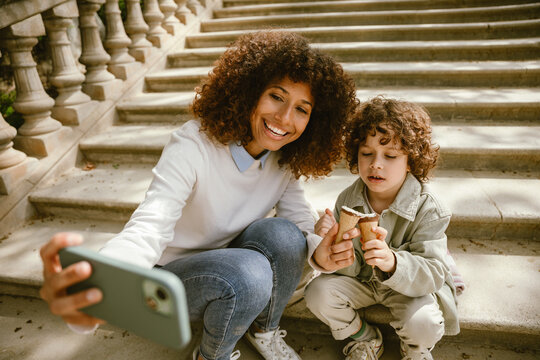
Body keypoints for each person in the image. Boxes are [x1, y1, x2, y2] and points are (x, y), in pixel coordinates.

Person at [38, 31, 358, 360]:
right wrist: (104, 289)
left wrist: (322, 252)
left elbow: (299, 222)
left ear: (314, 120)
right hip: (171, 278)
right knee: (250, 271)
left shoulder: (283, 159)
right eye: (276, 96)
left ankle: (264, 330)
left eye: (302, 109)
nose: (285, 118)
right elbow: (151, 223)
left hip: (229, 261)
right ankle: (211, 355)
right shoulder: (193, 144)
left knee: (285, 235)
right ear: (250, 90)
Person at [305, 96, 460, 360]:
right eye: (367, 153)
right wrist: (331, 247)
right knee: (317, 294)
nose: (376, 164)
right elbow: (347, 270)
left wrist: (393, 262)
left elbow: (433, 274)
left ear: (411, 160)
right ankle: (363, 337)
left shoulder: (429, 208)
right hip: (362, 282)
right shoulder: (347, 200)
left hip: (409, 288)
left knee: (424, 324)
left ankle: (413, 349)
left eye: (390, 155)